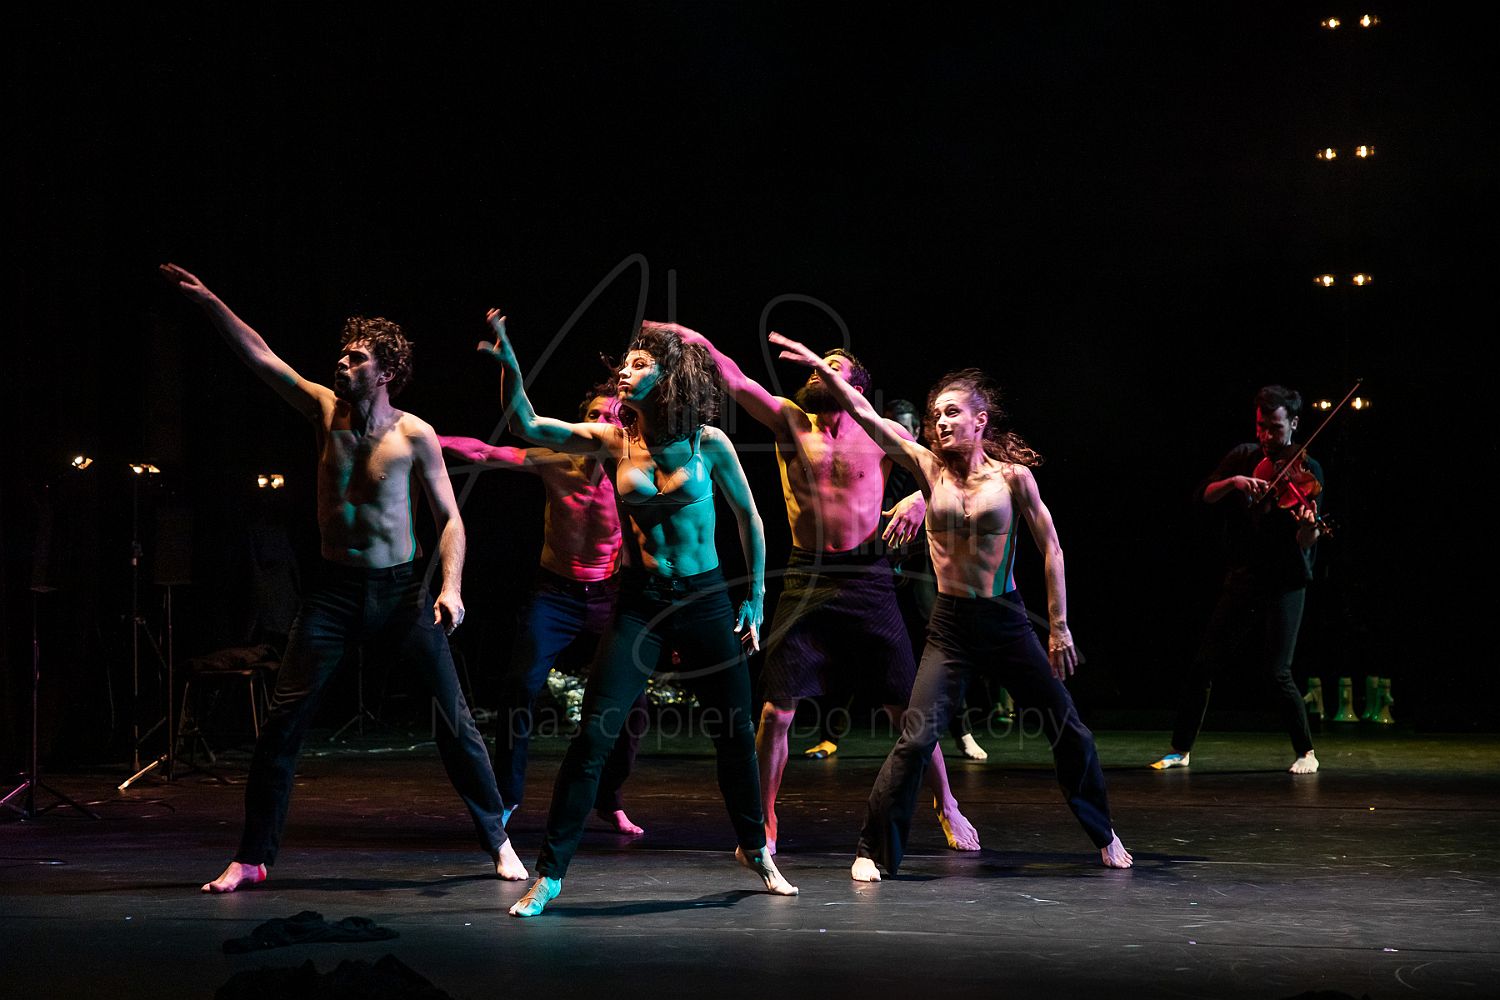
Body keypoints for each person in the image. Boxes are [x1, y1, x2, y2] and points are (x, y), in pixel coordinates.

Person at [160, 263, 526, 894]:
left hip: (402, 593)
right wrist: (211, 301)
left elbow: (450, 519)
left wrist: (450, 587)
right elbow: (261, 357)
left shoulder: (415, 434)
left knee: (455, 721)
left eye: (355, 358)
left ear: (384, 372)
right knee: (282, 724)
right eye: (342, 354)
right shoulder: (322, 410)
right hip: (333, 593)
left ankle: (499, 839)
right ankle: (252, 857)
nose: (341, 363)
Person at [770, 334, 1133, 878]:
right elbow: (864, 413)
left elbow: (1052, 548)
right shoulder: (927, 469)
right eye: (936, 414)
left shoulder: (1014, 479)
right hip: (952, 627)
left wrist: (1058, 626)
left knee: (1068, 727)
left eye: (953, 413)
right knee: (916, 738)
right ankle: (872, 849)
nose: (940, 422)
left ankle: (1103, 833)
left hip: (1006, 619)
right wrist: (822, 369)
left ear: (980, 420)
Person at [471, 312, 796, 917]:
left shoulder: (709, 442)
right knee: (593, 737)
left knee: (732, 733)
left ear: (668, 377)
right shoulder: (613, 440)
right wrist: (512, 366)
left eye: (640, 364)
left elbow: (750, 520)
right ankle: (550, 875)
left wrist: (753, 597)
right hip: (640, 602)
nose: (625, 371)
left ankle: (755, 847)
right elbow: (527, 425)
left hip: (705, 599)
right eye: (625, 363)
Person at [669, 325, 978, 857]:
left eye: (831, 368)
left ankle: (946, 802)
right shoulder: (790, 421)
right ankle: (765, 819)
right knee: (776, 710)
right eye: (815, 367)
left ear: (855, 386)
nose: (817, 373)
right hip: (806, 575)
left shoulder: (878, 432)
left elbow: (947, 475)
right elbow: (736, 380)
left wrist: (918, 501)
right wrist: (688, 336)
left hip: (868, 577)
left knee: (906, 709)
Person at [439, 381, 647, 836]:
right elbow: (485, 453)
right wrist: (425, 437)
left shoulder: (634, 473)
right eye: (593, 415)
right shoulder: (556, 462)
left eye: (611, 417)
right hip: (556, 594)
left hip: (609, 593)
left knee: (634, 705)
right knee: (520, 687)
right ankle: (507, 796)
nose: (600, 423)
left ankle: (609, 798)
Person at [1150, 385, 1324, 775]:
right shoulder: (1243, 456)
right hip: (1245, 575)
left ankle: (1307, 752)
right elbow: (1204, 495)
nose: (1266, 436)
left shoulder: (1308, 470)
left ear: (1294, 424)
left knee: (1278, 671)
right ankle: (1181, 749)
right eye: (1261, 426)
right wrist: (1236, 482)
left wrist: (1308, 526)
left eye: (1275, 428)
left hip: (1286, 580)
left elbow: (1306, 540)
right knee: (1203, 664)